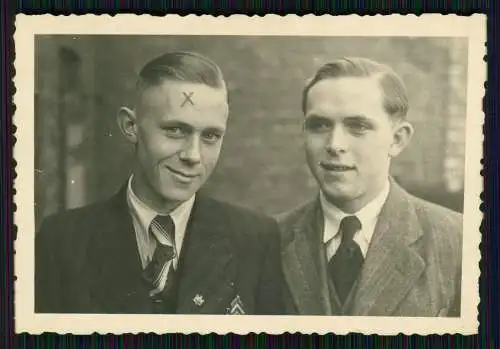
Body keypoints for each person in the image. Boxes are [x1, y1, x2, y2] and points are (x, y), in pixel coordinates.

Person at [35, 51, 284, 315]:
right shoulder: (63, 241)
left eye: (210, 136)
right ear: (131, 126)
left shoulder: (254, 240)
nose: (193, 155)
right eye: (175, 130)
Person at [277, 57, 463, 317]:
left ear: (397, 139)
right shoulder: (268, 241)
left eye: (358, 126)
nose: (334, 144)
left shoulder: (460, 242)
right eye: (320, 125)